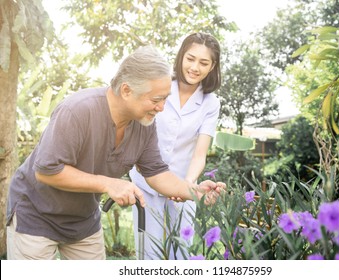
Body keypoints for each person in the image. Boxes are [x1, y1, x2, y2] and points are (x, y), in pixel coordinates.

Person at [6, 45, 225, 260]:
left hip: (82, 220)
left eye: (165, 98)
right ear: (126, 90)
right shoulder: (77, 111)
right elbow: (46, 171)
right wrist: (109, 183)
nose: (162, 108)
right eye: (156, 100)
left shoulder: (144, 125)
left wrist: (196, 192)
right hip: (37, 215)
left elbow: (157, 173)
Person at [130, 33, 222, 259]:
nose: (195, 67)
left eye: (203, 62)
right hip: (146, 182)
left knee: (180, 252)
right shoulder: (160, 87)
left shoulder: (211, 103)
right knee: (147, 252)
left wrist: (188, 185)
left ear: (212, 67)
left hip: (183, 182)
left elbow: (200, 153)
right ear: (181, 57)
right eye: (190, 58)